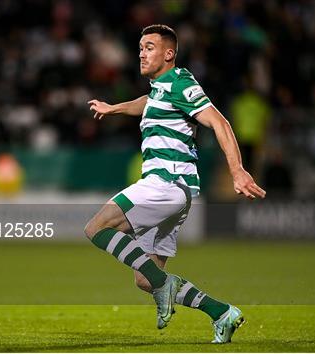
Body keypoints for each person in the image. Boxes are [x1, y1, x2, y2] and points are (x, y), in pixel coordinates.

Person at [84, 24, 266, 344]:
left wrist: (237, 170)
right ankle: (221, 313)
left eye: (150, 47)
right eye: (140, 46)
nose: (142, 52)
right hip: (176, 192)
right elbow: (147, 101)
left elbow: (219, 121)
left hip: (165, 182)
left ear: (168, 54)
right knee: (145, 279)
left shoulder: (181, 82)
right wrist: (114, 108)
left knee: (97, 228)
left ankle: (166, 287)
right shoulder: (160, 88)